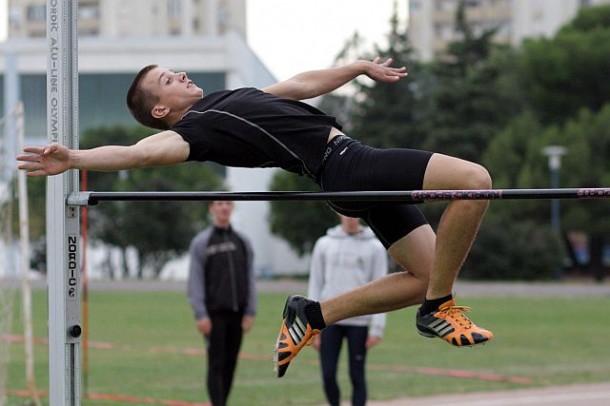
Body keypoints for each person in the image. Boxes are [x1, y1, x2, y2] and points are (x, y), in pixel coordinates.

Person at [17, 56, 493, 381]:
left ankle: (313, 315)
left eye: (174, 71)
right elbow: (136, 155)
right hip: (347, 164)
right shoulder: (193, 131)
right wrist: (74, 158)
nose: (180, 75)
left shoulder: (225, 102)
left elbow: (297, 87)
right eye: (167, 80)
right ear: (161, 109)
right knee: (474, 181)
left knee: (426, 275)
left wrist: (356, 68)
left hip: (346, 168)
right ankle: (438, 309)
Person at [308, 215, 387, 406]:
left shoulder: (374, 247)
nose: (350, 217)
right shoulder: (324, 243)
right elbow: (316, 283)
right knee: (328, 374)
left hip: (359, 322)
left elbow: (382, 288)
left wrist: (377, 327)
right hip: (330, 320)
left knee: (356, 374)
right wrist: (312, 325)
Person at [187, 200, 256, 406]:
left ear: (232, 207)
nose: (224, 207)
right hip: (214, 315)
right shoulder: (202, 242)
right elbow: (195, 281)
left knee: (231, 363)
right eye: (219, 203)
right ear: (211, 208)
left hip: (238, 314)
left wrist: (250, 311)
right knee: (216, 363)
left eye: (227, 203)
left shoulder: (242, 241)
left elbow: (250, 276)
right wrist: (200, 314)